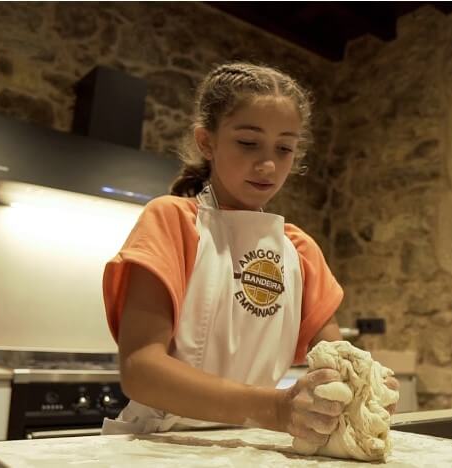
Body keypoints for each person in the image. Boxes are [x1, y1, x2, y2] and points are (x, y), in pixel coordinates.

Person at [101, 62, 397, 444]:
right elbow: (140, 369)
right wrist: (273, 409)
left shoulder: (300, 251)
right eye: (248, 143)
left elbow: (335, 366)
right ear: (207, 141)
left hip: (251, 444)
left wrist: (366, 388)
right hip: (159, 442)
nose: (268, 165)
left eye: (285, 148)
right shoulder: (172, 220)